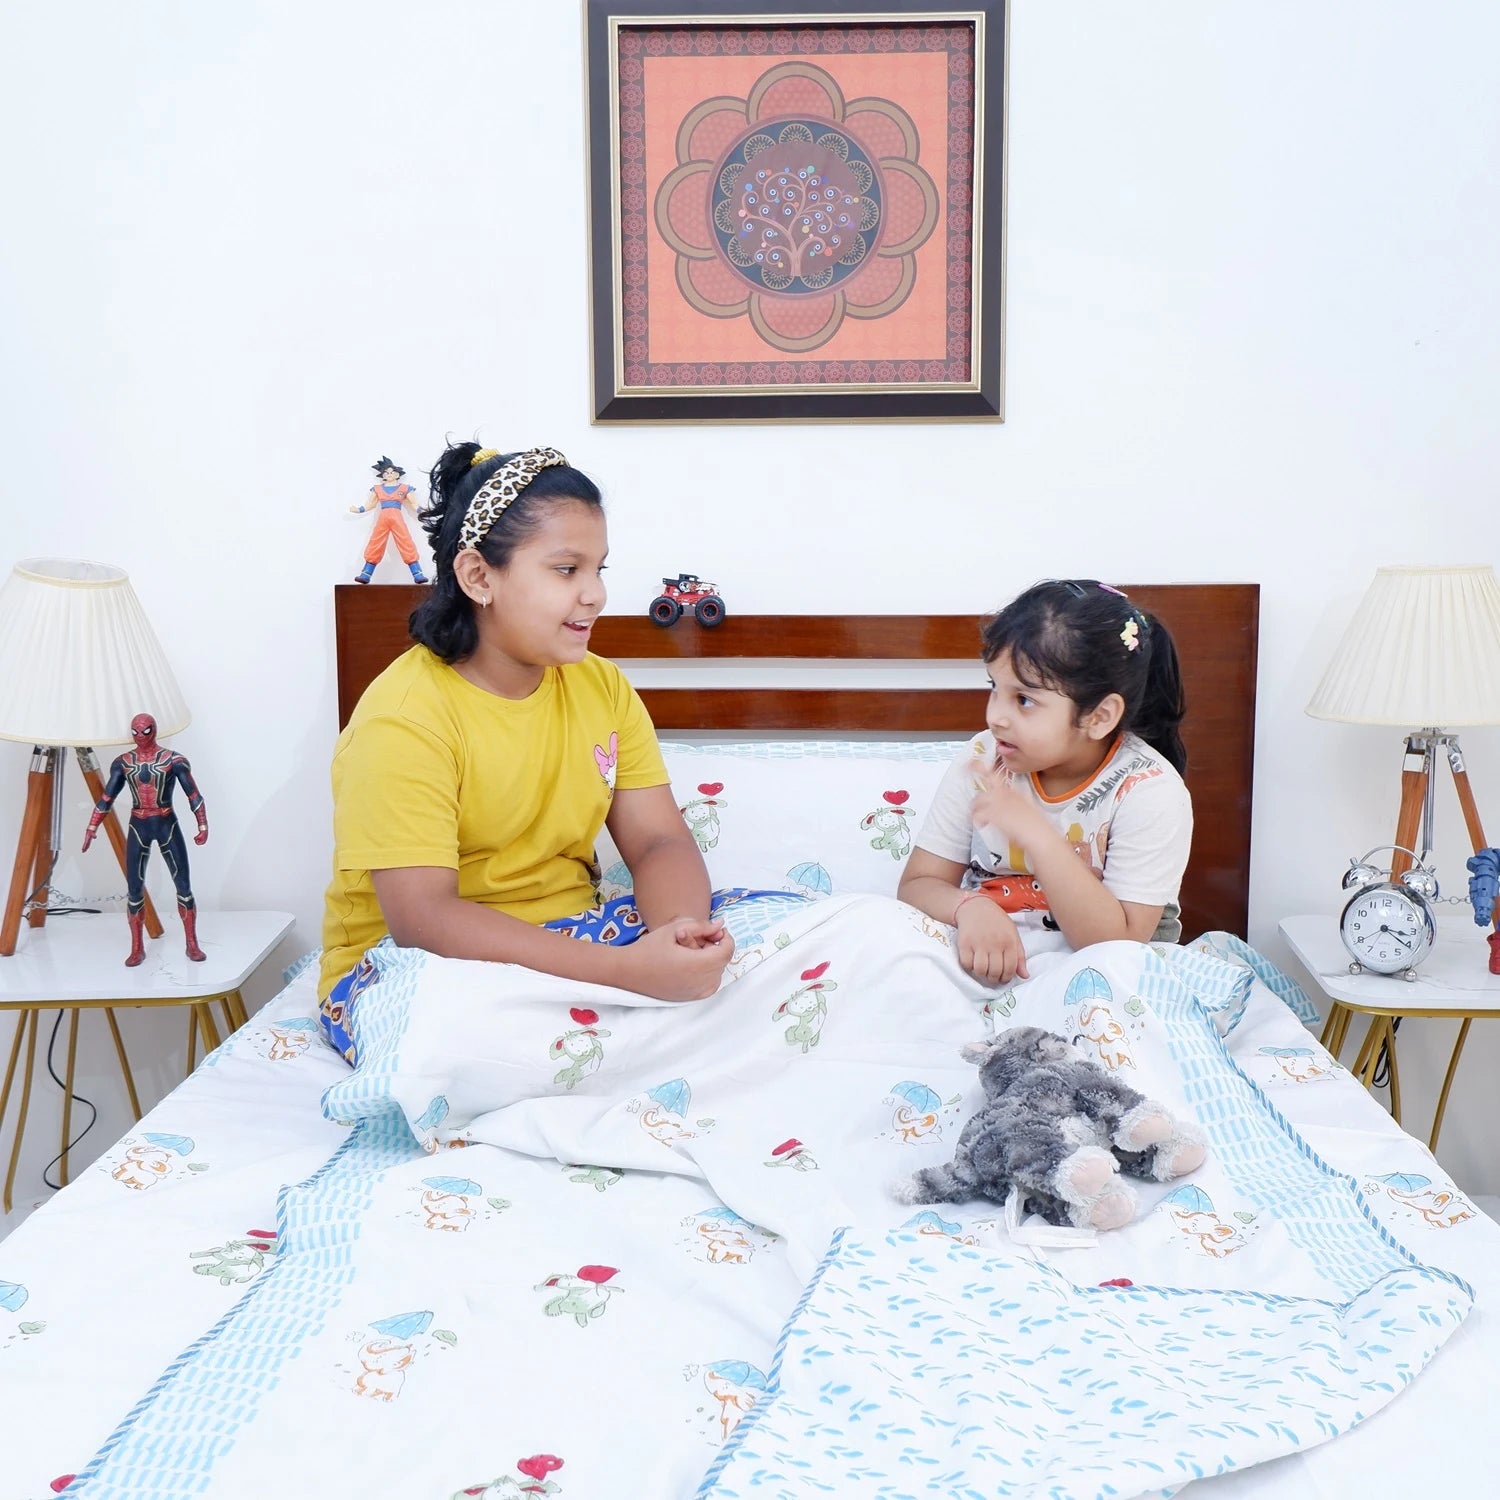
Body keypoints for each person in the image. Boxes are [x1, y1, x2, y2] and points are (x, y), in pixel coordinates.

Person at [318, 442, 750, 1062]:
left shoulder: (602, 685)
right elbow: (422, 919)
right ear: (478, 577)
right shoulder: (404, 718)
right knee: (476, 1045)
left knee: (812, 943)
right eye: (567, 570)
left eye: (600, 568)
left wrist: (677, 941)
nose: (596, 594)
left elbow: (659, 841)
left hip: (579, 941)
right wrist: (625, 974)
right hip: (420, 970)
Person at [897, 580, 1191, 985]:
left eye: (1025, 700)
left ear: (1100, 716)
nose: (995, 716)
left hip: (1095, 976)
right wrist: (969, 908)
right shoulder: (984, 759)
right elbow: (918, 884)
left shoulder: (1148, 791)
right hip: (982, 956)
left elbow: (1116, 945)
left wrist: (1035, 834)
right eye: (994, 688)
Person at [82, 712, 209, 967]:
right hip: (139, 823)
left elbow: (193, 794)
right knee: (134, 887)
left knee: (182, 883)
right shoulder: (123, 762)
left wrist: (202, 824)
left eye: (146, 731)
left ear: (155, 729)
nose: (140, 736)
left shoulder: (173, 761)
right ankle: (137, 947)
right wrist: (92, 826)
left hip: (166, 822)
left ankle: (191, 942)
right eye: (135, 731)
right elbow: (107, 797)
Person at [351, 456, 429, 584]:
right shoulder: (377, 489)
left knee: (405, 541)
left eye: (392, 472)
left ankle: (417, 574)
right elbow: (370, 504)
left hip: (397, 517)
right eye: (386, 473)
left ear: (397, 474)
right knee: (376, 542)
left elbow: (414, 504)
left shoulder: (405, 488)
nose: (389, 474)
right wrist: (358, 509)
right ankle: (366, 574)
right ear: (383, 475)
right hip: (383, 518)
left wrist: (423, 511)